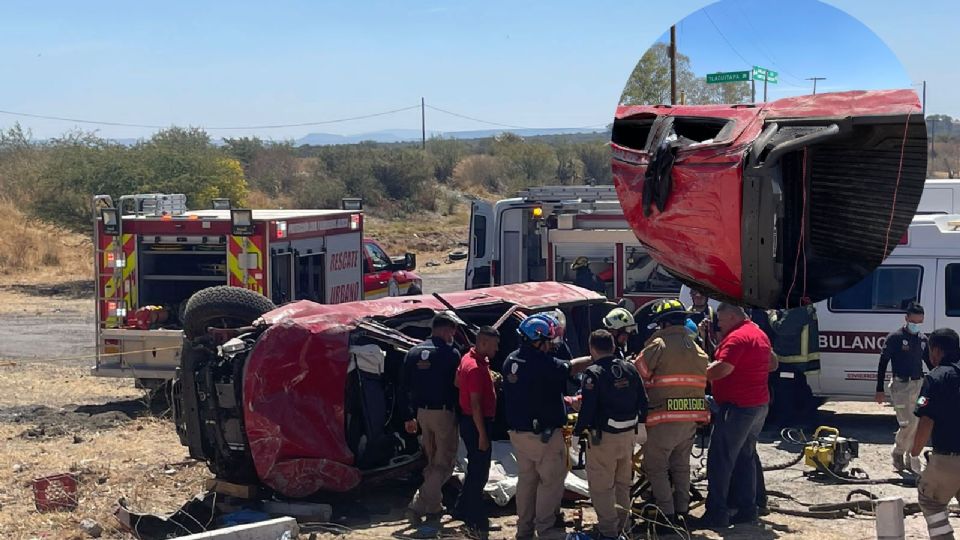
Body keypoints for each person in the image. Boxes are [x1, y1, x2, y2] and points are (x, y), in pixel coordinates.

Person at [502, 313, 595, 539]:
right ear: (537, 340)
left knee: (527, 481)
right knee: (551, 482)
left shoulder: (511, 361)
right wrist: (597, 357)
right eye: (548, 341)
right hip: (543, 435)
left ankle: (524, 530)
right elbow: (570, 368)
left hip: (519, 434)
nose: (551, 345)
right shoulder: (540, 363)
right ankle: (546, 529)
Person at [690, 303, 776, 530]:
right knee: (744, 457)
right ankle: (747, 509)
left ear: (731, 316)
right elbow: (773, 363)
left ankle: (717, 513)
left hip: (738, 407)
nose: (719, 325)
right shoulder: (758, 333)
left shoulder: (737, 338)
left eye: (721, 320)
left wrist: (694, 374)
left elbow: (723, 369)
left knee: (720, 459)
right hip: (758, 404)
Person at [635, 299, 709, 530]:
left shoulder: (659, 344)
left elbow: (639, 373)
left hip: (663, 419)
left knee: (656, 467)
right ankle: (682, 512)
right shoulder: (697, 348)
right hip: (689, 421)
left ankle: (665, 516)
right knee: (681, 466)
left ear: (663, 322)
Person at [575, 330, 647, 540]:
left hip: (602, 438)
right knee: (622, 484)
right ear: (613, 347)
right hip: (627, 435)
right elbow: (643, 399)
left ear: (591, 349)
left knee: (602, 486)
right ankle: (623, 527)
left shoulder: (593, 372)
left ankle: (609, 532)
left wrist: (579, 433)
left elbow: (588, 407)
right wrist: (641, 425)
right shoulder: (629, 368)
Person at [400, 312, 463, 524]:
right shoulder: (451, 354)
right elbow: (457, 387)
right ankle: (417, 505)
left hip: (422, 415)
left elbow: (403, 388)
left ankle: (434, 508)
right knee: (444, 463)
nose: (452, 336)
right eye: (452, 332)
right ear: (446, 330)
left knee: (432, 461)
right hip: (444, 413)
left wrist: (409, 416)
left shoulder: (413, 352)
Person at [911, 328, 960, 540]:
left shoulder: (935, 378)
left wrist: (914, 452)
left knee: (931, 502)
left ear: (937, 350)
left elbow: (925, 419)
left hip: (948, 458)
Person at [455, 326, 501, 537]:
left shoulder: (469, 359)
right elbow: (475, 406)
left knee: (475, 468)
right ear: (483, 343)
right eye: (494, 345)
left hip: (471, 421)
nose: (497, 348)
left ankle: (461, 509)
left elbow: (457, 382)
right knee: (479, 472)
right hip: (477, 423)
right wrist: (482, 435)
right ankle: (475, 520)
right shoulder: (474, 367)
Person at [875, 302, 930, 473]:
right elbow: (883, 362)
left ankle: (910, 455)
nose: (916, 325)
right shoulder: (895, 338)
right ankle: (898, 452)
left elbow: (928, 362)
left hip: (918, 385)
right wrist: (879, 389)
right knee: (907, 422)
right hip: (900, 386)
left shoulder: (922, 339)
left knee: (918, 421)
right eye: (914, 322)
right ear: (906, 319)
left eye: (920, 322)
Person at [768, 305, 820, 429]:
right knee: (799, 388)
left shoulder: (797, 307)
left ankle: (788, 423)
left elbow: (783, 328)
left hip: (791, 358)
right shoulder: (805, 305)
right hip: (798, 359)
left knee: (786, 391)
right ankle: (804, 421)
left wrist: (772, 315)